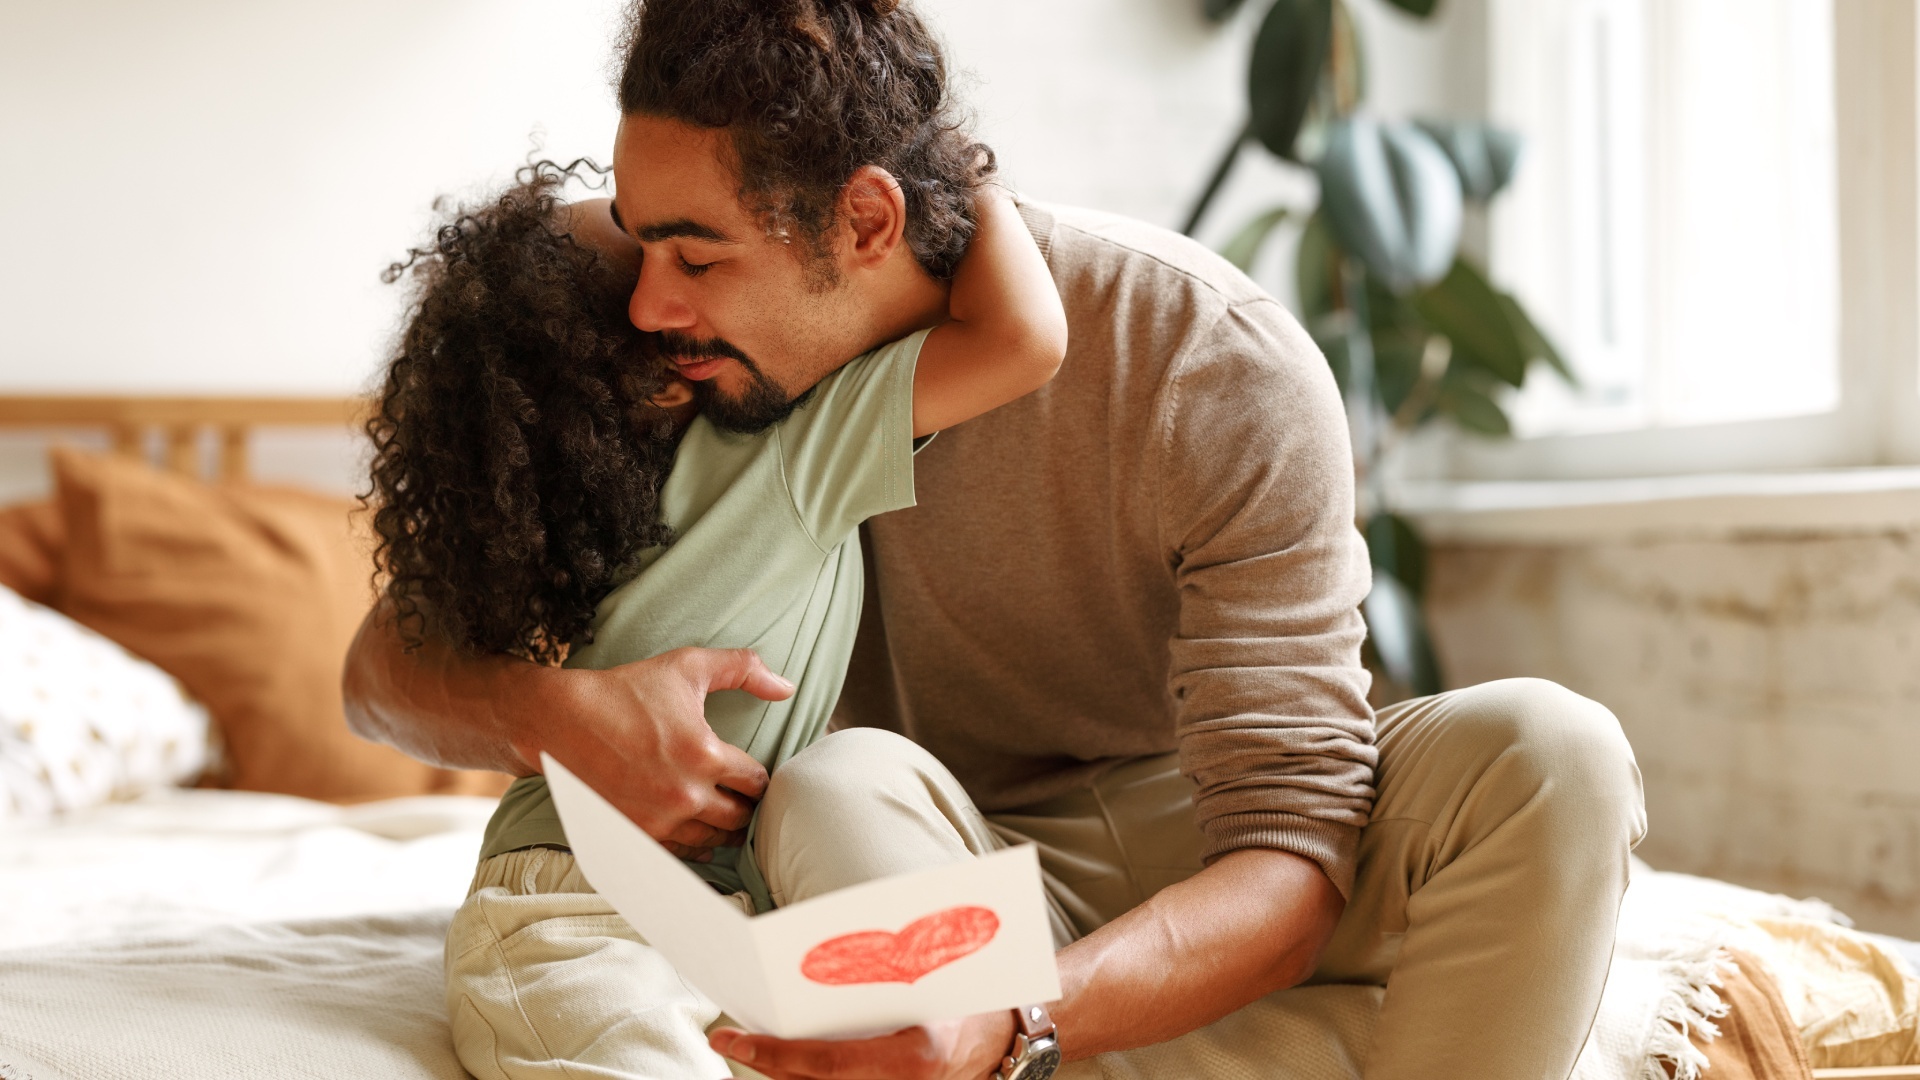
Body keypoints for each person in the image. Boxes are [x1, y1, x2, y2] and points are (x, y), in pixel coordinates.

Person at [345, 2, 1649, 1078]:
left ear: (866, 221)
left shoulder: (1205, 361)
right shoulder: (654, 318)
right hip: (902, 844)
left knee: (1554, 752)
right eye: (639, 241)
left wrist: (1023, 1013)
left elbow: (1293, 846)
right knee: (840, 779)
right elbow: (380, 670)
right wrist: (556, 716)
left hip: (1184, 830)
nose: (648, 294)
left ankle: (1007, 1043)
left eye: (694, 253)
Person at [366, 151, 1066, 1076]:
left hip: (648, 899)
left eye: (690, 259)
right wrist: (969, 180)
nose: (663, 285)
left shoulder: (530, 522)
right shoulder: (784, 444)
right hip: (582, 901)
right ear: (660, 370)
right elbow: (1021, 336)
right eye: (648, 263)